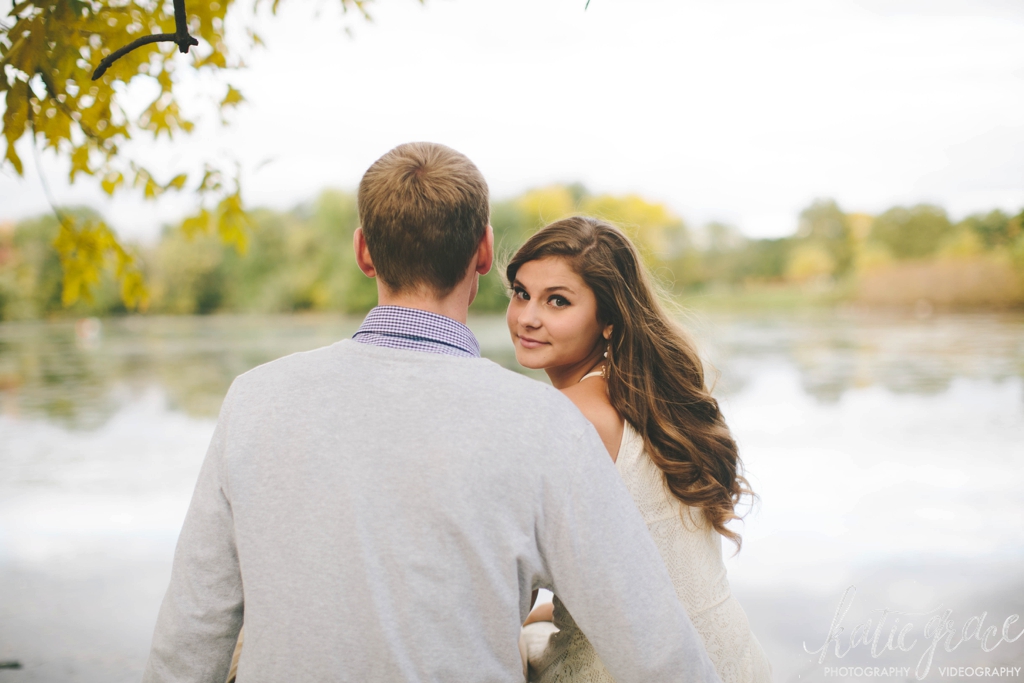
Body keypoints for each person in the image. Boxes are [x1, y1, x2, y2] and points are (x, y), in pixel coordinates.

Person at [142, 142, 723, 683]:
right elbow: (656, 652)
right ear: (485, 251)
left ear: (364, 251)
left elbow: (193, 630)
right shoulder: (543, 424)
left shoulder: (253, 399)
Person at [509, 216, 772, 683]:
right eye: (521, 292)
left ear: (608, 320)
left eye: (558, 301)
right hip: (732, 659)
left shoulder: (572, 415)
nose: (528, 316)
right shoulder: (649, 397)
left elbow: (506, 571)